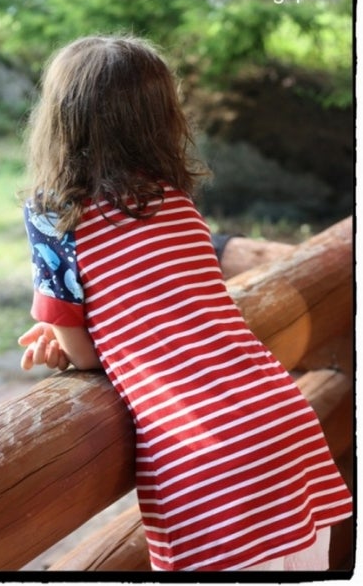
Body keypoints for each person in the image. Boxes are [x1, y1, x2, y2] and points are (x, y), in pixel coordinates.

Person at [18, 35, 352, 571]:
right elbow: (166, 302)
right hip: (285, 426)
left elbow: (84, 354)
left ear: (60, 119)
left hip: (207, 462)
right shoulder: (176, 203)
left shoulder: (54, 218)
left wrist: (63, 336)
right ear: (162, 118)